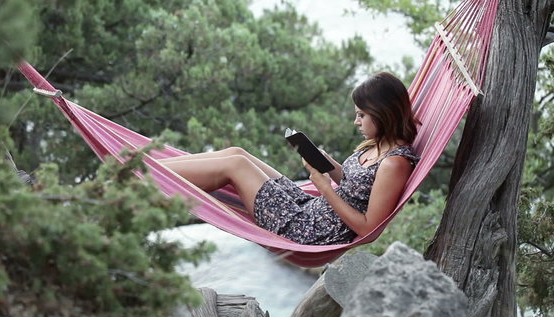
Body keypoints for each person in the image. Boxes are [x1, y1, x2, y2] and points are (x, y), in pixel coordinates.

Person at [160, 72, 419, 245]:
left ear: (382, 113)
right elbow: (356, 186)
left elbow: (368, 229)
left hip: (308, 230)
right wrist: (329, 166)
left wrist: (325, 189)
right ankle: (147, 166)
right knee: (237, 153)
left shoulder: (394, 163)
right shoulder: (378, 145)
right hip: (307, 207)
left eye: (362, 115)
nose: (356, 121)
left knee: (235, 165)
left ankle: (144, 173)